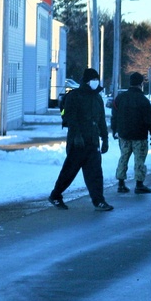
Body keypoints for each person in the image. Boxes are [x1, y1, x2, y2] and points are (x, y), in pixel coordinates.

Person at [49, 68, 113, 211]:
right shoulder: (75, 96)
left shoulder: (97, 98)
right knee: (69, 172)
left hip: (93, 141)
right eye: (93, 80)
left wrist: (105, 138)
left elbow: (101, 119)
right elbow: (71, 118)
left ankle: (99, 201)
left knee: (95, 174)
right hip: (77, 142)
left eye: (97, 79)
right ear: (86, 81)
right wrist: (77, 136)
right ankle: (55, 195)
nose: (96, 82)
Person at [111, 71, 151, 194]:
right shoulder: (143, 100)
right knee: (139, 160)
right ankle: (139, 184)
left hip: (124, 135)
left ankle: (121, 183)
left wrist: (114, 129)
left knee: (123, 157)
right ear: (141, 84)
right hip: (139, 135)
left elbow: (114, 116)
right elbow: (149, 119)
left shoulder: (120, 98)